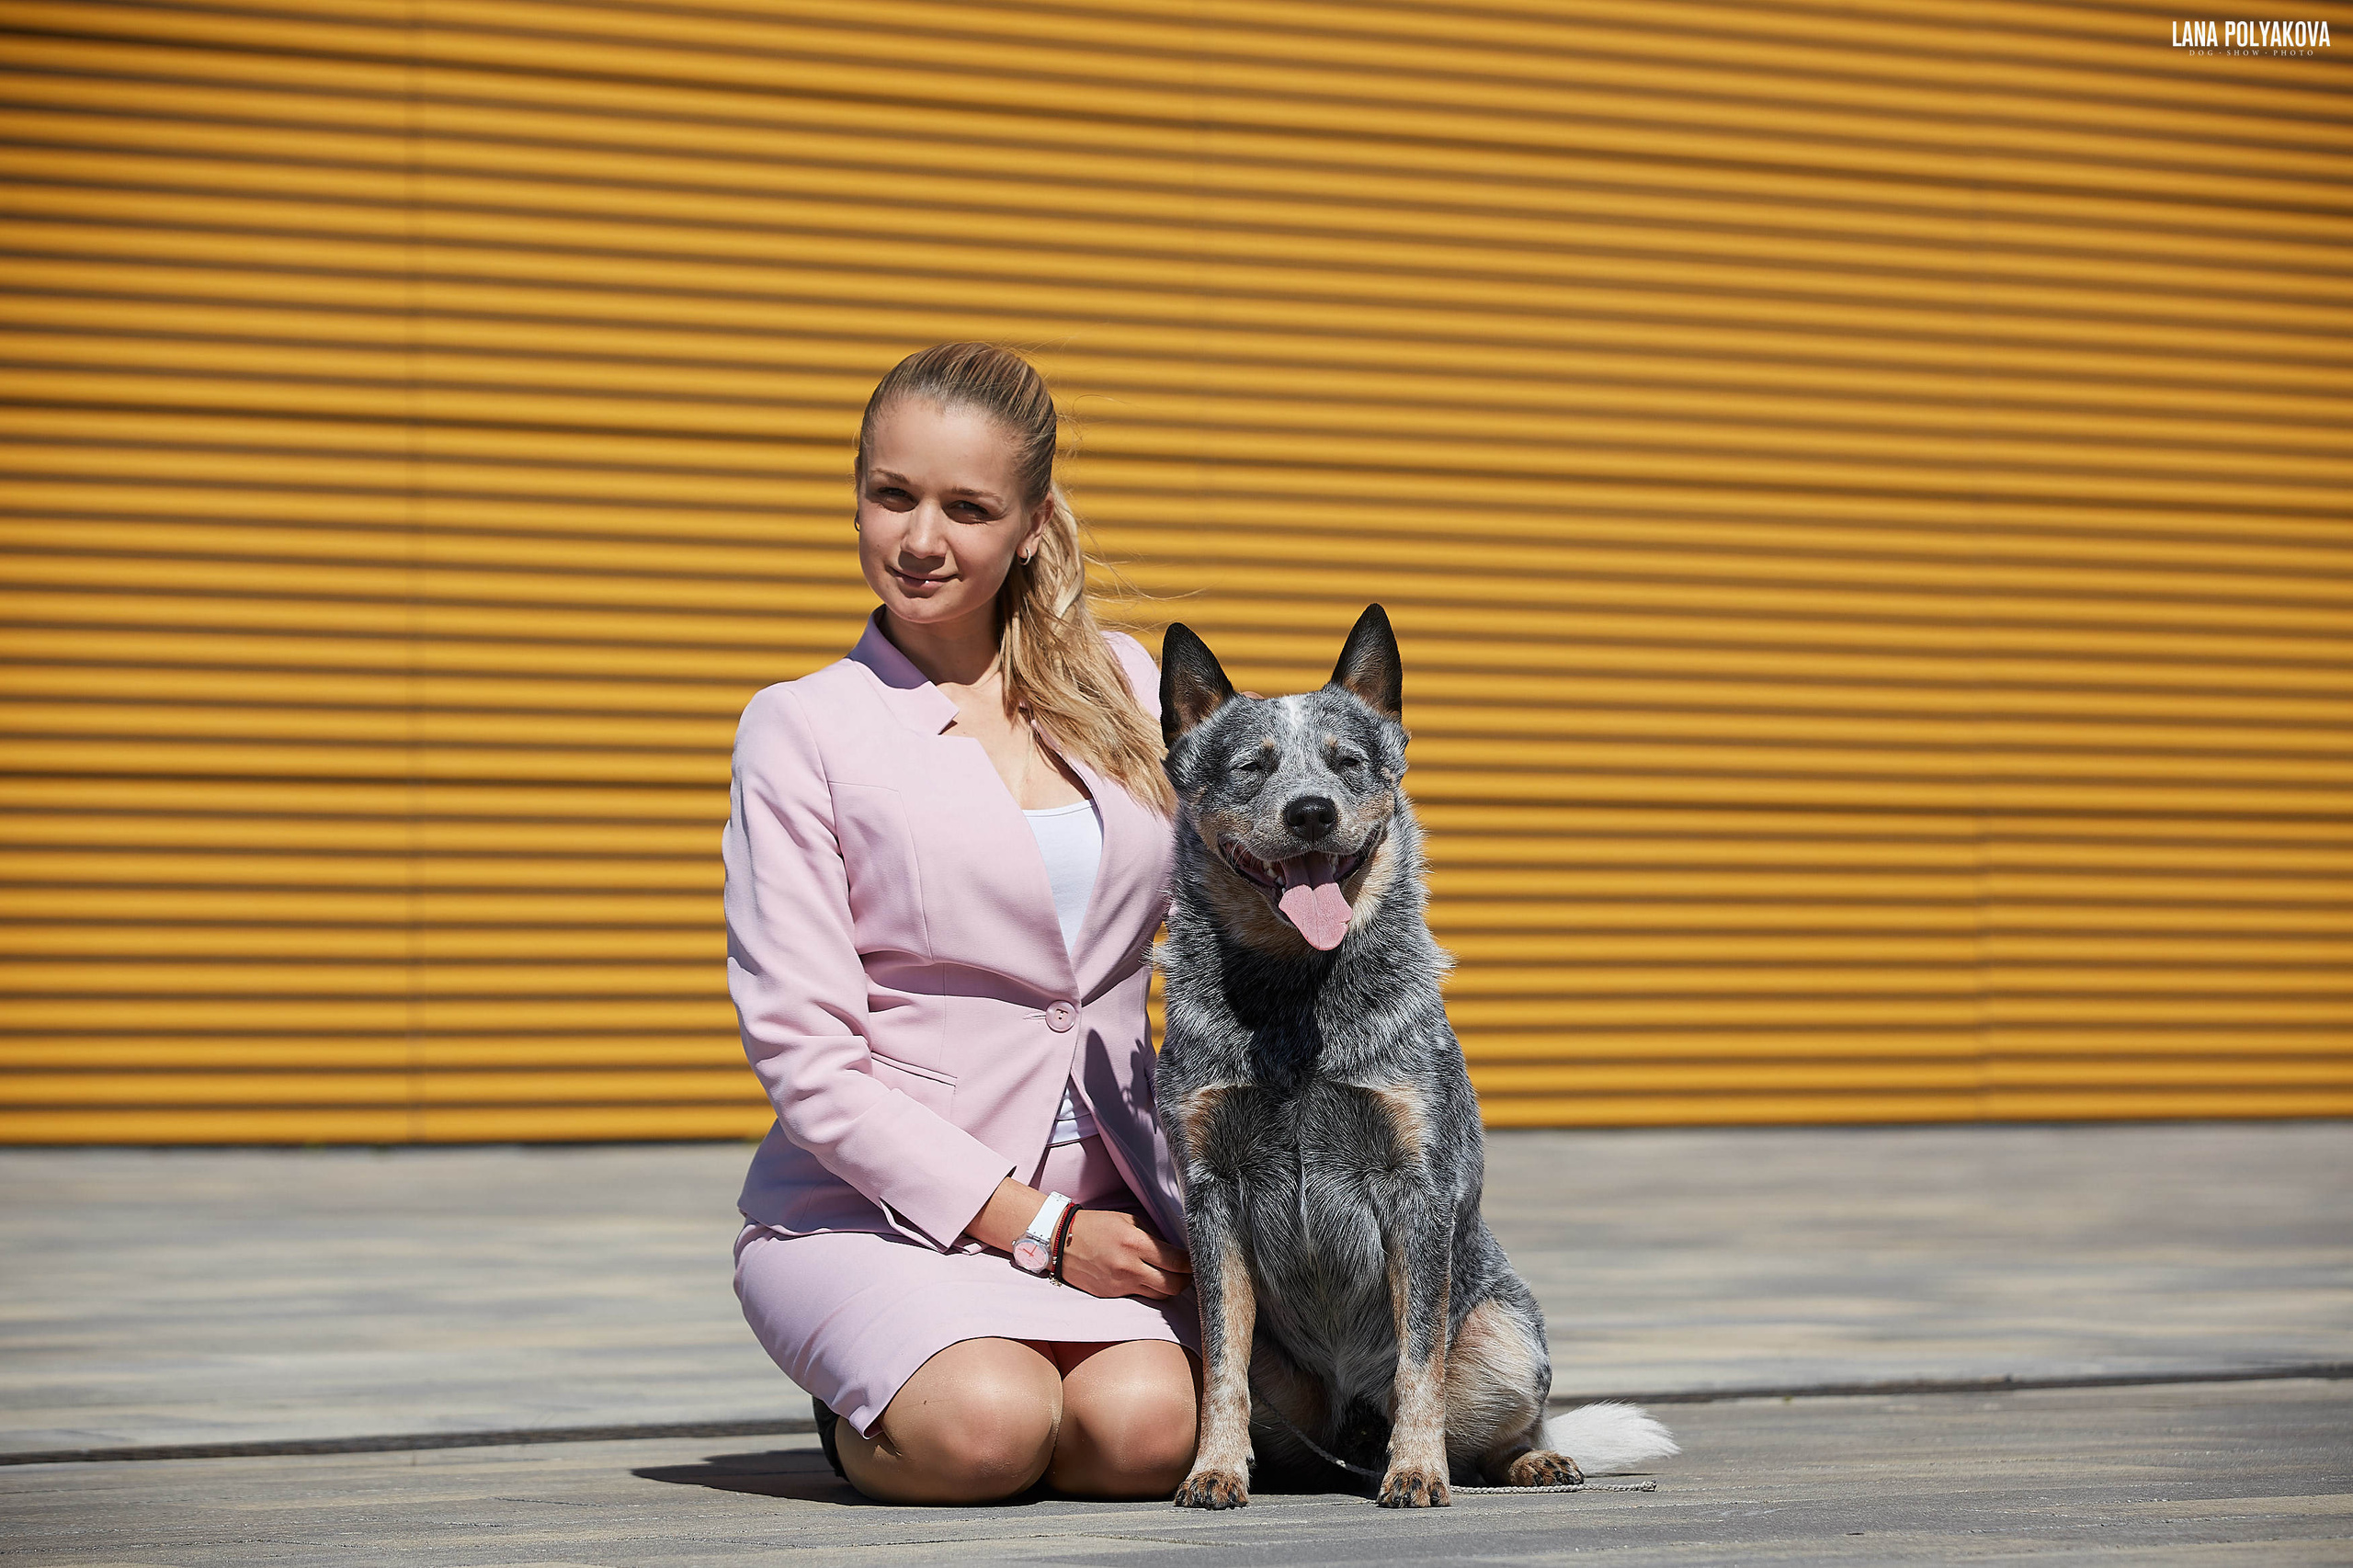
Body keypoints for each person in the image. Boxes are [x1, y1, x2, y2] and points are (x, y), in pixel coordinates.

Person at [725, 343, 1201, 1506]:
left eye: (967, 507)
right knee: (986, 1429)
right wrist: (1039, 1228)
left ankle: (984, 1368)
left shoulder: (1129, 685)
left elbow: (1219, 919)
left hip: (1118, 1199)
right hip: (877, 1212)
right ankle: (872, 1388)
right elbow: (808, 1059)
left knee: (1144, 1438)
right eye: (892, 495)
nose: (920, 539)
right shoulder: (803, 729)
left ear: (1033, 521)